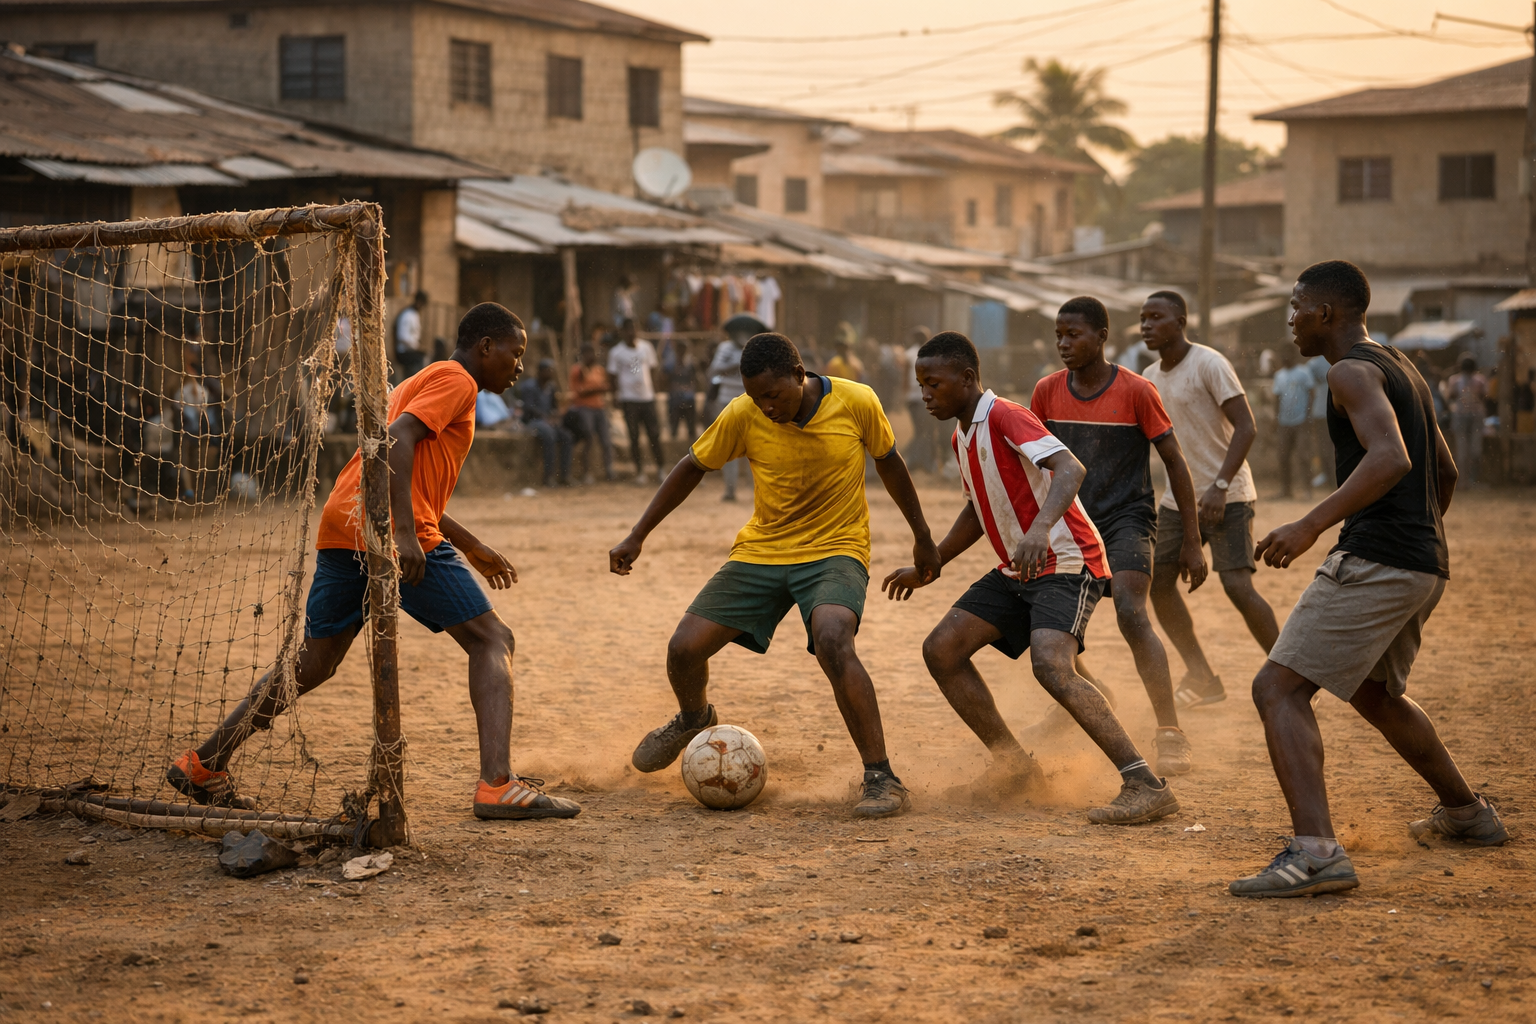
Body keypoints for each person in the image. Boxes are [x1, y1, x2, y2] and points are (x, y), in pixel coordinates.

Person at [165, 303, 581, 822]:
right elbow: (397, 439)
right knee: (493, 639)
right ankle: (497, 784)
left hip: (344, 522)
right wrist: (403, 534)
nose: (519, 366)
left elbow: (410, 469)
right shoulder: (457, 381)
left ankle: (203, 763)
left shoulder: (423, 379)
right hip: (385, 529)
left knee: (315, 662)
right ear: (485, 348)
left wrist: (470, 543)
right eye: (515, 354)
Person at [1230, 260, 1505, 898]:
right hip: (1420, 561)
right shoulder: (1399, 364)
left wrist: (1311, 525)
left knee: (1277, 688)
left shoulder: (1349, 370)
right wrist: (1417, 541)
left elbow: (1393, 458)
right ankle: (1466, 813)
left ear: (1326, 313)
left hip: (1380, 559)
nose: (1290, 319)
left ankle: (1318, 855)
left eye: (1296, 307)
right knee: (1376, 694)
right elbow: (1447, 472)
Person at [610, 332, 941, 818]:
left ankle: (882, 778)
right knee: (684, 648)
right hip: (763, 550)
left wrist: (922, 536)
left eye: (773, 395)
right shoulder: (743, 414)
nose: (765, 407)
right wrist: (637, 534)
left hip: (835, 549)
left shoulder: (857, 401)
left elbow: (890, 464)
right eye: (754, 396)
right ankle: (693, 717)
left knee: (833, 638)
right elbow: (691, 466)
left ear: (799, 375)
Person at [883, 331, 1182, 823]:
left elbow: (1071, 467)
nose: (925, 395)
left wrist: (1040, 528)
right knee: (942, 649)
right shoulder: (963, 435)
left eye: (934, 383)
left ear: (968, 378)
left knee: (1051, 665)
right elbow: (979, 511)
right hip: (1016, 570)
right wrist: (930, 563)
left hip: (1068, 561)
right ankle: (1014, 766)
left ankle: (1144, 783)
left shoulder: (1005, 415)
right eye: (921, 385)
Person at [1025, 296, 1208, 777]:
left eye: (1075, 334)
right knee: (1057, 625)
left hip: (1127, 518)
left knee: (1130, 609)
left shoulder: (1136, 390)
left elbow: (1175, 463)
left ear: (1102, 337)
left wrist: (1191, 539)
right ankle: (1086, 693)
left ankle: (1170, 730)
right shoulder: (1045, 392)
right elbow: (1033, 467)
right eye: (1059, 335)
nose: (1064, 344)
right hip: (1073, 523)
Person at [1139, 290, 1281, 710]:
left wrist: (1220, 485)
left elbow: (1246, 427)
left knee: (1236, 585)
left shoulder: (1209, 363)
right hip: (1178, 502)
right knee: (1159, 585)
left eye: (1156, 317)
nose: (1146, 325)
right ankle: (1201, 674)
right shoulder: (1149, 374)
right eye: (1142, 318)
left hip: (1229, 495)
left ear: (1180, 322)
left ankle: (1291, 671)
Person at [709, 314, 766, 502]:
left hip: (751, 403)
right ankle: (730, 490)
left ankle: (756, 491)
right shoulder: (725, 348)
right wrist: (739, 364)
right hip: (726, 401)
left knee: (754, 448)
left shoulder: (757, 350)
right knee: (730, 447)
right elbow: (715, 369)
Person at [607, 318, 664, 484]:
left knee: (654, 434)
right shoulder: (616, 352)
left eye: (635, 329)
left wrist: (654, 390)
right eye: (629, 329)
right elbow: (613, 376)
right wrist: (615, 396)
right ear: (623, 331)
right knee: (634, 436)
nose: (632, 332)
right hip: (628, 399)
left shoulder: (646, 348)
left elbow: (653, 369)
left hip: (647, 397)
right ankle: (640, 471)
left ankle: (660, 468)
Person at [514, 358, 572, 487]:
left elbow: (554, 407)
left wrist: (555, 417)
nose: (550, 373)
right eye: (547, 370)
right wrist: (546, 417)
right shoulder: (529, 386)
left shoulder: (551, 388)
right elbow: (529, 408)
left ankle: (565, 476)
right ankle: (548, 477)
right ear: (540, 372)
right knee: (549, 435)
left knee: (566, 436)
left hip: (547, 421)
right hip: (532, 422)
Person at [568, 342, 615, 484]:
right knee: (588, 439)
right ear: (582, 355)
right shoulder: (577, 370)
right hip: (584, 408)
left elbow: (605, 387)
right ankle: (587, 473)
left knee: (606, 441)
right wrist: (597, 389)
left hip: (599, 408)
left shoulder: (599, 370)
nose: (592, 356)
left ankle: (609, 471)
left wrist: (594, 389)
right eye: (588, 353)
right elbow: (579, 392)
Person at [1271, 348, 1314, 498]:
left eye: (1288, 353)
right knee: (1283, 457)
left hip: (1301, 420)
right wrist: (1276, 419)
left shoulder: (1304, 372)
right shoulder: (1279, 375)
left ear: (1293, 355)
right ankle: (1286, 490)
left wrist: (1308, 416)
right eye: (1283, 354)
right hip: (1284, 422)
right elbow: (1276, 398)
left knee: (1303, 456)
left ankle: (1307, 490)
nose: (1285, 356)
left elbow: (1311, 394)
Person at [903, 326, 942, 473]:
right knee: (925, 431)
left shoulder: (909, 354)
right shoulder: (932, 355)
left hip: (912, 398)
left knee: (921, 430)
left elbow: (905, 380)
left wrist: (903, 396)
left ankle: (919, 461)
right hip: (925, 397)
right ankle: (918, 461)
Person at [1444, 355, 1487, 487]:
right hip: (1472, 417)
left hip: (1464, 417)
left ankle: (1465, 481)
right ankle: (1469, 480)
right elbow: (1485, 396)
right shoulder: (1479, 380)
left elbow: (1450, 396)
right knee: (1471, 450)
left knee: (1467, 450)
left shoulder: (1455, 380)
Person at [664, 338, 700, 442]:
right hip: (675, 397)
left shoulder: (691, 362)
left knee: (691, 426)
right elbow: (664, 377)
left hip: (688, 397)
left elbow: (696, 378)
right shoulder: (670, 361)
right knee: (674, 426)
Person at [394, 291, 428, 379]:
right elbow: (403, 338)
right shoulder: (408, 315)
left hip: (410, 350)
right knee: (419, 360)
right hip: (404, 351)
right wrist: (417, 348)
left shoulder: (414, 314)